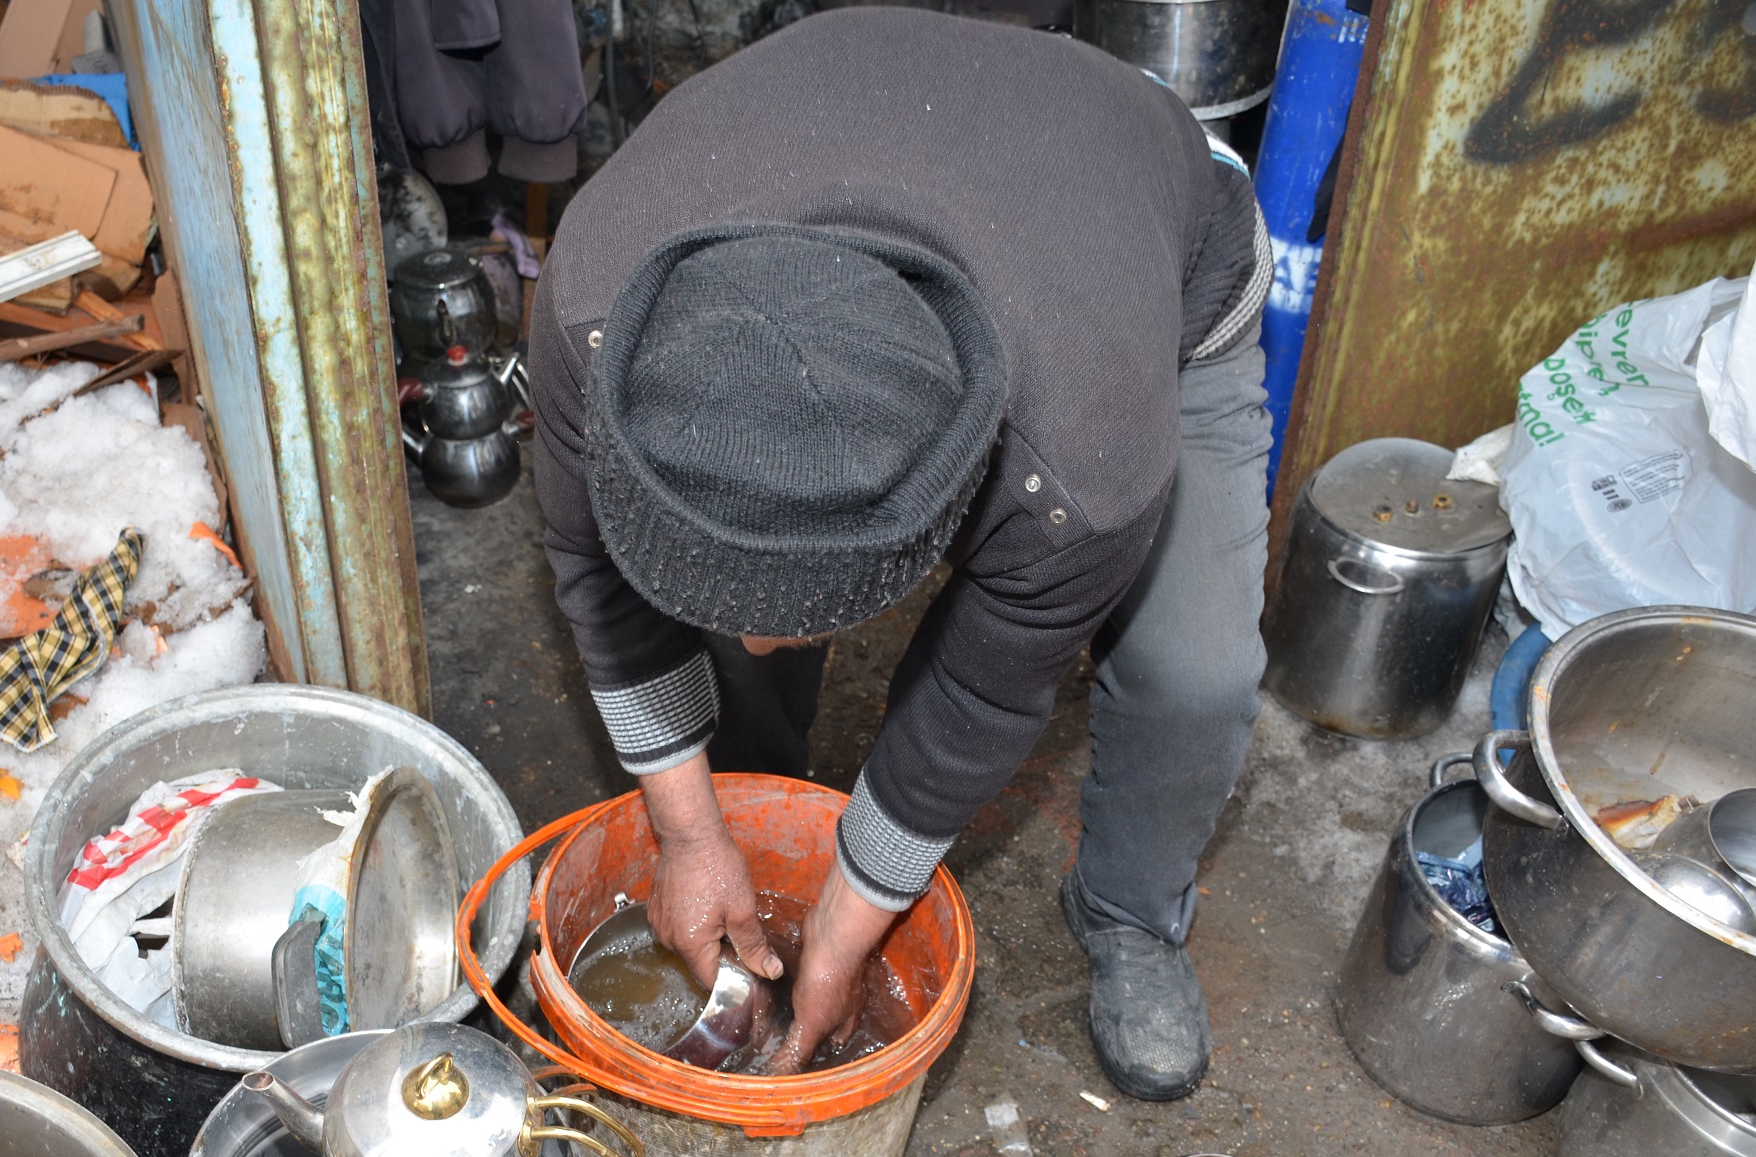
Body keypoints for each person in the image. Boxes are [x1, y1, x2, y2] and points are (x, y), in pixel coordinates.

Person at [529, 8, 1272, 1099]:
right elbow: (592, 567)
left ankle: (1129, 912)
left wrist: (843, 931)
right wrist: (686, 834)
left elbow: (980, 690)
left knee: (1194, 674)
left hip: (1139, 241)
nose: (752, 634)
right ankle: (756, 789)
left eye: (797, 616)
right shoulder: (596, 318)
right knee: (736, 636)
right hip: (850, 120)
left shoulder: (1083, 465)